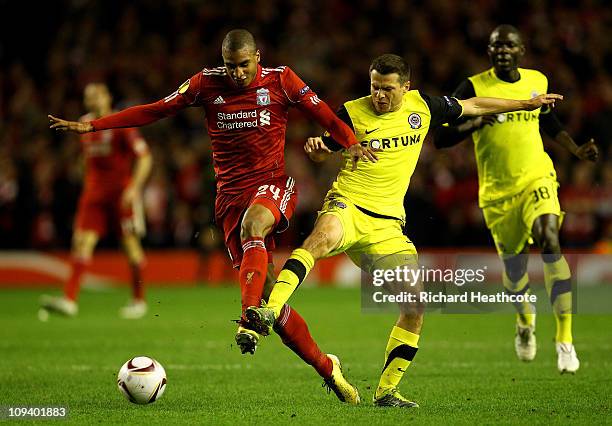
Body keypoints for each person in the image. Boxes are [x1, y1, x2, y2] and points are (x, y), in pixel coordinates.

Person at [48, 29, 375, 404]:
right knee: (272, 297)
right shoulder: (205, 84)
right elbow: (156, 109)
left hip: (272, 185)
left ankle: (246, 319)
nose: (236, 73)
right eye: (230, 65)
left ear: (257, 57)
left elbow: (324, 114)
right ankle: (327, 368)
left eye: (243, 65)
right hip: (229, 200)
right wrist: (95, 125)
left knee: (256, 232)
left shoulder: (281, 80)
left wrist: (351, 143)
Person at [245, 53, 563, 407]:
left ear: (405, 87)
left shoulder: (423, 107)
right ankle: (270, 311)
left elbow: (473, 105)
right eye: (375, 87)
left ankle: (387, 392)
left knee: (414, 304)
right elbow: (324, 149)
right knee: (319, 240)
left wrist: (527, 102)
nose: (380, 95)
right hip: (349, 206)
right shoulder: (351, 112)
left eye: (388, 89)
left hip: (387, 227)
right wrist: (318, 149)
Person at [434, 25, 599, 373]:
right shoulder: (474, 87)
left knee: (550, 239)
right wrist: (476, 122)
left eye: (509, 45)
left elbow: (550, 122)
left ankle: (565, 340)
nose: (503, 50)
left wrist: (576, 149)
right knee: (515, 271)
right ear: (489, 51)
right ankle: (525, 320)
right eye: (496, 45)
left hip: (537, 178)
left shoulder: (536, 80)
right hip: (497, 193)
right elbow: (442, 138)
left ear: (522, 50)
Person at [41, 83, 152, 319]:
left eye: (96, 96)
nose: (92, 101)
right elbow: (86, 160)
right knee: (81, 242)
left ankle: (138, 300)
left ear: (107, 97)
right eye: (88, 97)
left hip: (121, 196)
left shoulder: (121, 122)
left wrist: (134, 188)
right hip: (94, 195)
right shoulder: (84, 123)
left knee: (131, 248)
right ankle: (69, 300)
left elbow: (144, 157)